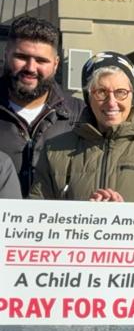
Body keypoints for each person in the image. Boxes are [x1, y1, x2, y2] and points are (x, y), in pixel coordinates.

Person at [29, 52, 134, 203]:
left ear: (132, 96)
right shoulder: (55, 150)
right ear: (88, 97)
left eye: (120, 92)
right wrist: (85, 215)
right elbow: (37, 217)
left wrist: (124, 219)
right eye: (101, 92)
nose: (111, 102)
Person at [0, 16, 86, 197]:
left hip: (57, 223)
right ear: (6, 54)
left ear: (55, 64)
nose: (31, 68)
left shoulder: (81, 117)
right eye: (22, 57)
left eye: (41, 60)